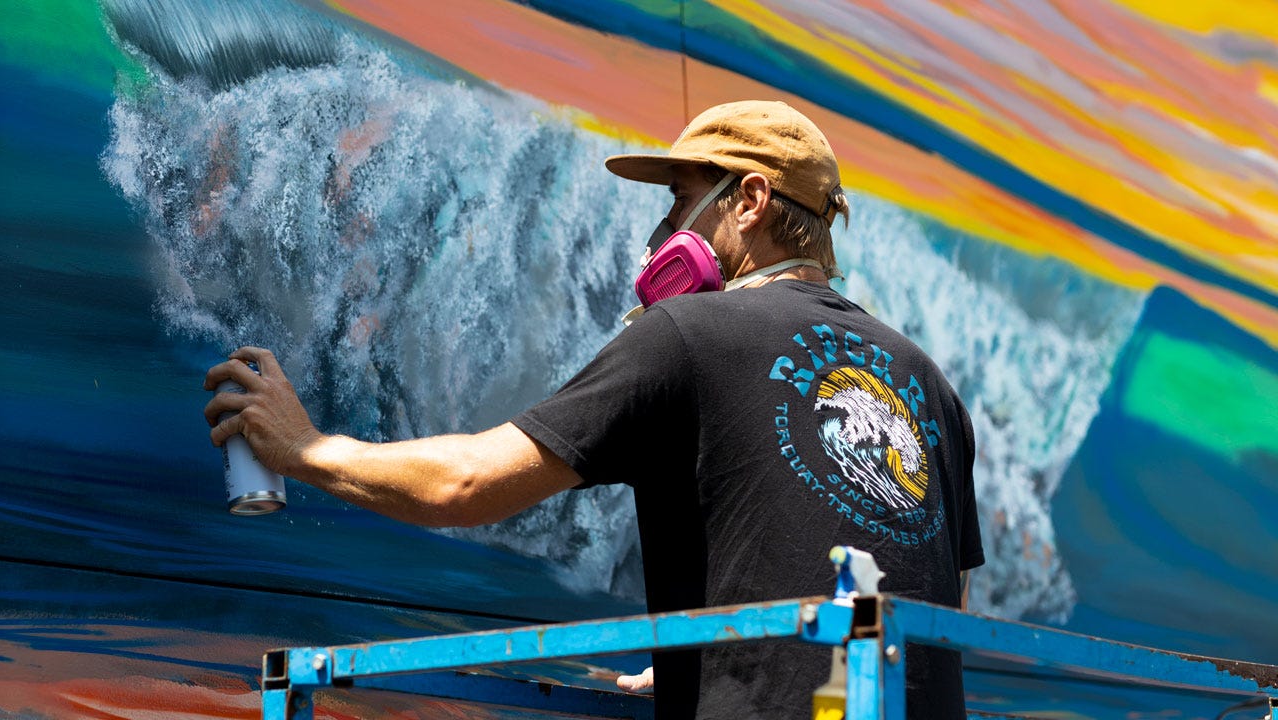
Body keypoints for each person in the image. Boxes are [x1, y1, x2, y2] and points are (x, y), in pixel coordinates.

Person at [204, 100, 984, 720]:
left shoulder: (687, 335)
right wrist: (719, 654)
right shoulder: (931, 386)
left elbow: (468, 483)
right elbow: (940, 604)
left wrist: (304, 448)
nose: (660, 234)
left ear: (749, 200)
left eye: (680, 203)